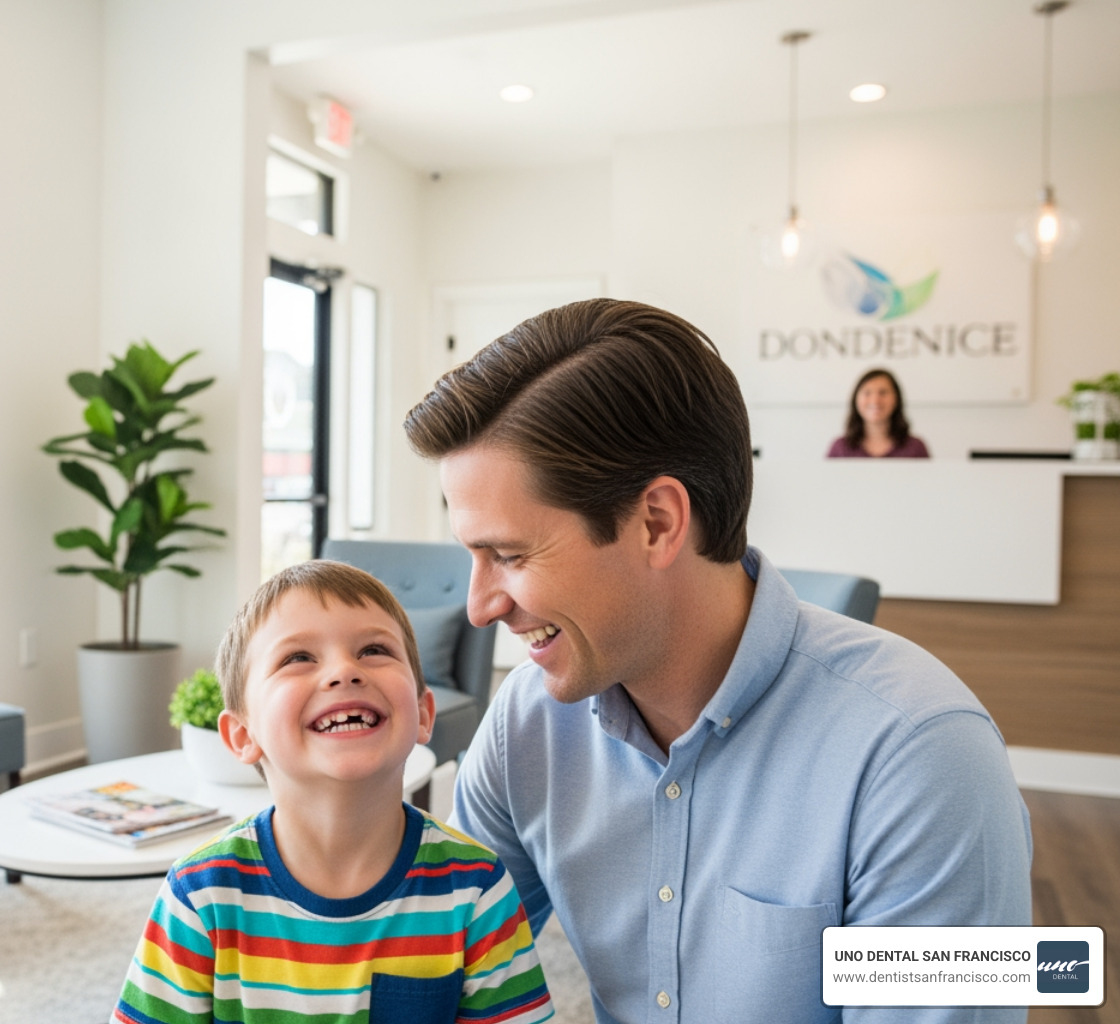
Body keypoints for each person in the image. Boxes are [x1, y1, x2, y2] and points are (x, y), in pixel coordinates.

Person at [404, 299, 1030, 1023]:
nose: (480, 605)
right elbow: (432, 969)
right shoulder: (527, 724)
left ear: (658, 523)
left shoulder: (924, 755)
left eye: (509, 555)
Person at [111, 560, 553, 1024]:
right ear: (242, 735)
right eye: (298, 658)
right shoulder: (200, 896)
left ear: (424, 713)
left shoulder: (477, 888)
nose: (344, 671)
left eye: (373, 650)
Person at [827, 368, 930, 458]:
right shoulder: (840, 448)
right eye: (867, 393)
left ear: (896, 398)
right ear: (856, 399)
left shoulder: (915, 448)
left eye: (883, 393)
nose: (875, 401)